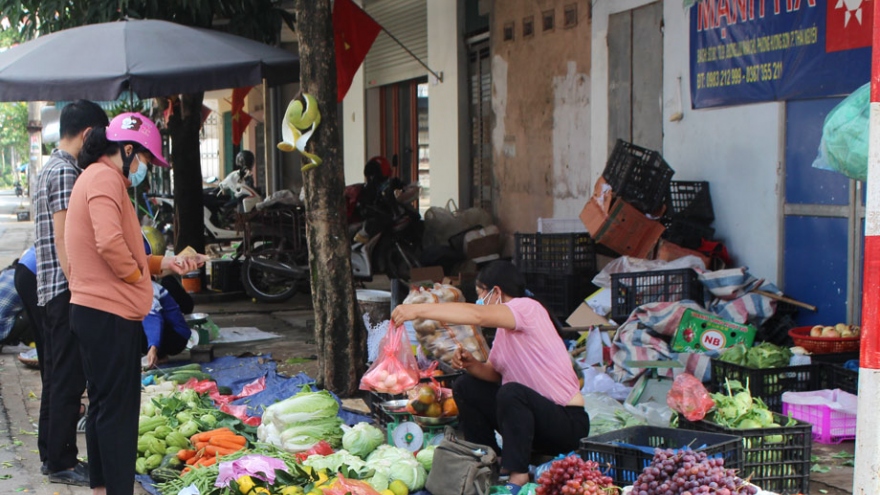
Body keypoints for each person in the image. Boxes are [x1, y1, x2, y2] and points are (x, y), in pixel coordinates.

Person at [65, 112, 201, 495]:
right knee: (119, 414)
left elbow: (125, 250)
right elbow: (111, 245)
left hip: (96, 313)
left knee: (103, 407)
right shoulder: (105, 179)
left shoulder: (97, 178)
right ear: (127, 150)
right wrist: (136, 277)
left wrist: (166, 264)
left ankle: (101, 488)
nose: (144, 169)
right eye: (144, 159)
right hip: (108, 315)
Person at [390, 260, 590, 495]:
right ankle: (487, 458)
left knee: (511, 392)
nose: (479, 300)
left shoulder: (528, 308)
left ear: (496, 292)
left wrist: (417, 310)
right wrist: (471, 365)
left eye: (480, 294)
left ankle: (518, 473)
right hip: (532, 425)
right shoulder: (505, 333)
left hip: (566, 424)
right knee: (465, 385)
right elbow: (494, 373)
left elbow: (477, 315)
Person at [32, 99, 109, 486]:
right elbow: (65, 238)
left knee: (56, 376)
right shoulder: (65, 171)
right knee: (67, 377)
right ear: (88, 133)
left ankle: (51, 456)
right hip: (65, 288)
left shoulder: (50, 167)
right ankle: (62, 460)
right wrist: (79, 286)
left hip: (53, 288)